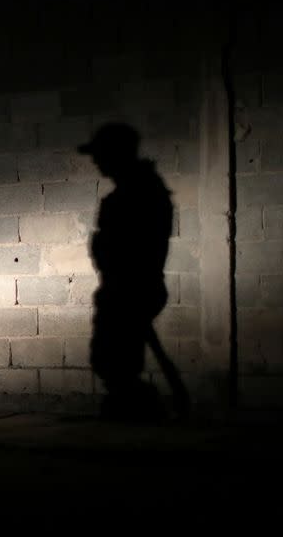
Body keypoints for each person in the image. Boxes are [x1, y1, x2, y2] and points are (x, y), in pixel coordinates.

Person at [79, 123, 181, 422]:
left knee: (115, 363)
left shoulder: (139, 194)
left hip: (130, 290)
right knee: (114, 364)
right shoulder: (137, 190)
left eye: (101, 154)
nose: (96, 161)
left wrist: (122, 281)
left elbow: (134, 250)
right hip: (123, 289)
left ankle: (143, 418)